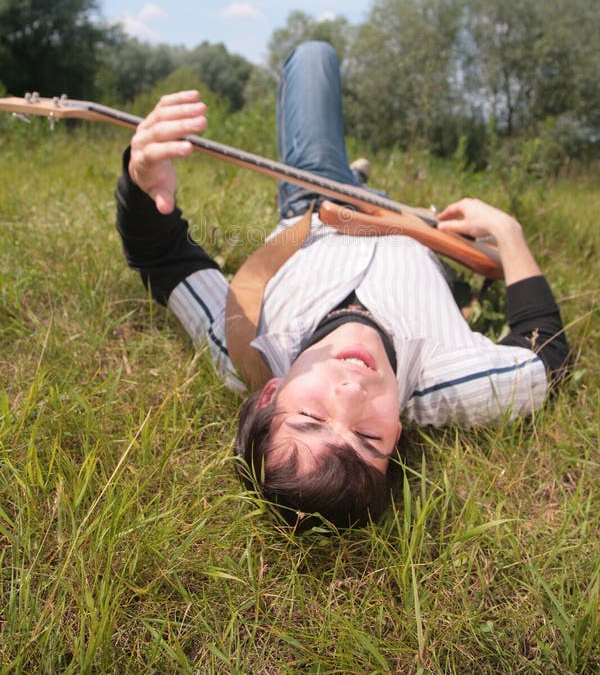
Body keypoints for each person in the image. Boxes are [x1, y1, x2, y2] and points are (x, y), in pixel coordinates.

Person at [115, 41, 570, 530]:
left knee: (313, 57)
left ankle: (350, 177)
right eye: (368, 438)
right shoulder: (457, 381)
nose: (352, 392)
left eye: (310, 416)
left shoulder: (244, 341)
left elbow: (162, 259)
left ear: (270, 395)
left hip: (317, 198)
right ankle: (367, 182)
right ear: (395, 438)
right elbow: (546, 358)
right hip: (416, 228)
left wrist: (140, 178)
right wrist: (508, 232)